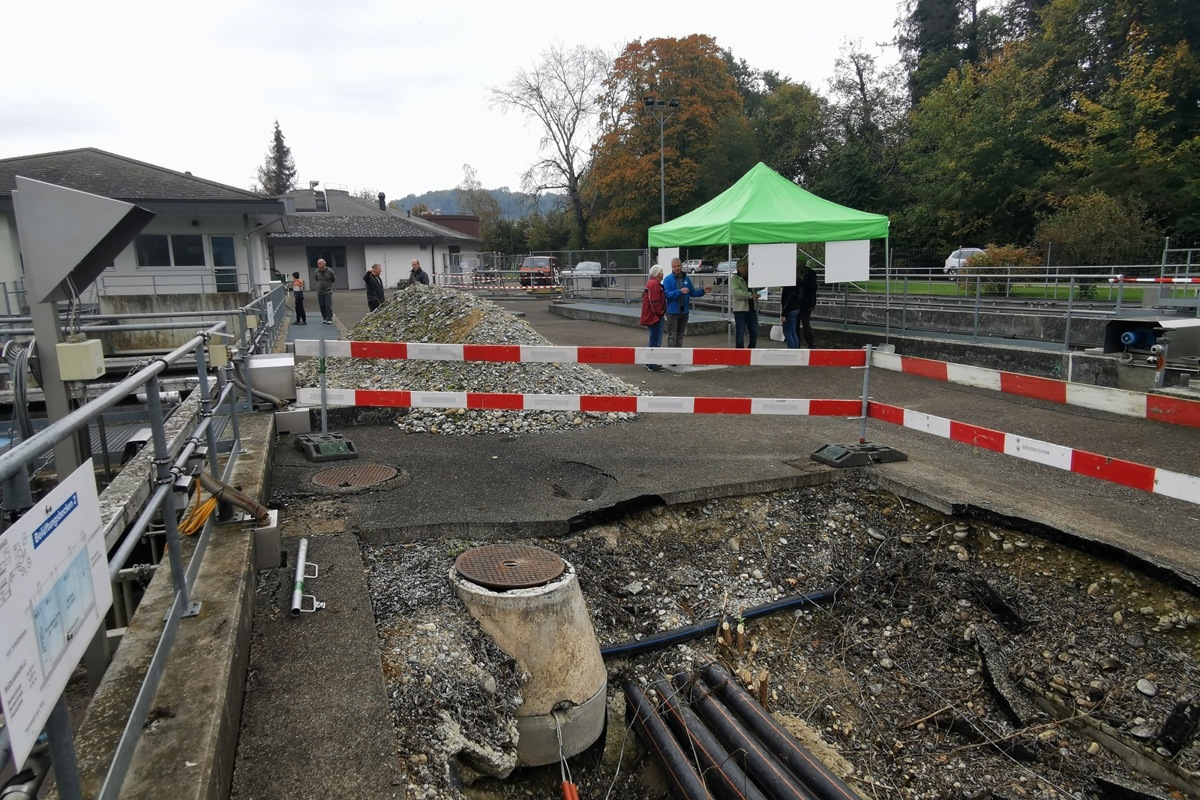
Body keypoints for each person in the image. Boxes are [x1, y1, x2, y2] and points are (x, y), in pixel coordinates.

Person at [661, 257, 705, 348]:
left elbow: (692, 292)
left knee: (680, 335)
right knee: (671, 335)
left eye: (678, 266)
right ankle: (671, 357)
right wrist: (679, 292)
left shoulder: (686, 279)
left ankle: (678, 355)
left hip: (684, 312)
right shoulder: (667, 279)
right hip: (672, 312)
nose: (677, 268)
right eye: (674, 266)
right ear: (671, 267)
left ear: (681, 266)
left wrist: (703, 291)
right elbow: (666, 294)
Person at [640, 265, 667, 371]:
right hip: (655, 317)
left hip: (653, 316)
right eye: (662, 272)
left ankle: (650, 362)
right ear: (659, 274)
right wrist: (660, 312)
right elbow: (655, 301)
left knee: (653, 339)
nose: (663, 274)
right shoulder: (654, 284)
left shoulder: (651, 283)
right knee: (655, 340)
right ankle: (652, 363)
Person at [730, 259, 758, 349]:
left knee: (754, 331)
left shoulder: (753, 278)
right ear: (738, 267)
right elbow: (736, 293)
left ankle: (751, 350)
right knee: (740, 332)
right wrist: (751, 295)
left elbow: (760, 286)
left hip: (752, 308)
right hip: (740, 310)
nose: (746, 268)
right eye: (743, 266)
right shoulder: (734, 278)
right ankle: (740, 351)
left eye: (747, 265)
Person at [314, 259, 336, 324]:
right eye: (318, 264)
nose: (318, 265)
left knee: (328, 305)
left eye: (320, 264)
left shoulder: (330, 271)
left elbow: (333, 279)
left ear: (324, 263)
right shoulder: (317, 271)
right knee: (322, 305)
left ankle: (329, 318)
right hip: (320, 291)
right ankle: (324, 317)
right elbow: (316, 279)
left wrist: (328, 284)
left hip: (327, 291)